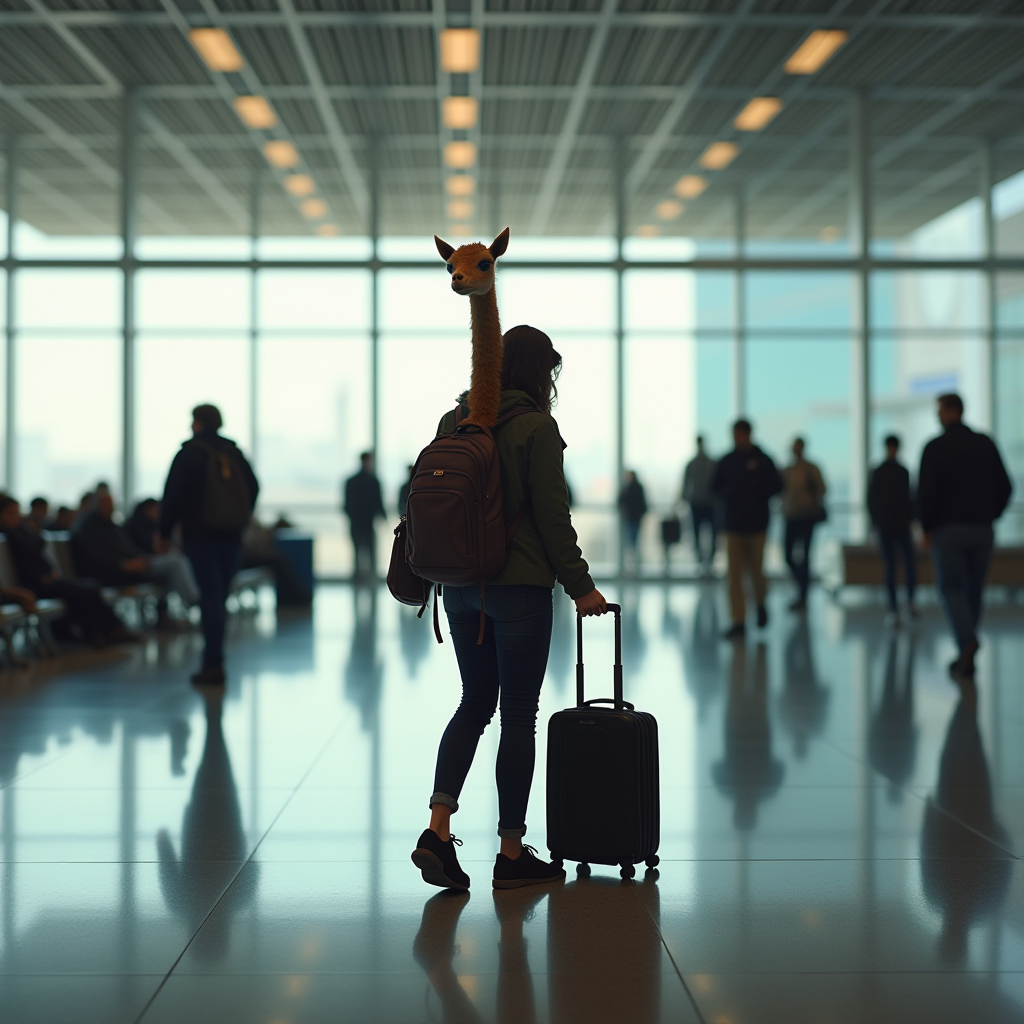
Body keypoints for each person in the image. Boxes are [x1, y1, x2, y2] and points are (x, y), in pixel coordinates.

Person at [411, 324, 607, 892]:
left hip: (460, 586)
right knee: (519, 716)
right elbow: (552, 517)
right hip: (518, 588)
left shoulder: (457, 419)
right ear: (537, 372)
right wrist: (581, 586)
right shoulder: (536, 428)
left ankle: (438, 831)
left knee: (474, 704)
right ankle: (511, 852)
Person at [160, 403, 259, 686]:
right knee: (220, 598)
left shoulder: (189, 453)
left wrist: (165, 531)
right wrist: (238, 515)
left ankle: (212, 663)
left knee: (210, 598)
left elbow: (173, 496)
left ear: (198, 423)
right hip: (232, 536)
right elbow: (253, 486)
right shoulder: (234, 452)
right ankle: (215, 659)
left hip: (200, 537)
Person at [918, 393, 1012, 679]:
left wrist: (927, 527)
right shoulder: (985, 443)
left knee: (951, 588)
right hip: (983, 529)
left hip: (949, 530)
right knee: (975, 588)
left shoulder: (934, 448)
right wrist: (991, 514)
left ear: (950, 411)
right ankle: (965, 654)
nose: (936, 417)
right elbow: (1006, 486)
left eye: (939, 411)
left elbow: (925, 492)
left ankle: (966, 641)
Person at [0, 494, 136, 647]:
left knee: (90, 587)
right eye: (11, 513)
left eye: (17, 513)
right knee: (82, 591)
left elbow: (36, 553)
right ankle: (98, 633)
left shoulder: (20, 531)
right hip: (34, 582)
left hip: (44, 578)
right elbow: (27, 556)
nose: (16, 517)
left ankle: (108, 631)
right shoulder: (10, 534)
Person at [72, 489, 201, 611]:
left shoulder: (107, 524)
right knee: (174, 562)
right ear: (97, 505)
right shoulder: (89, 527)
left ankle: (171, 612)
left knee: (173, 564)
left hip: (129, 566)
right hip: (115, 571)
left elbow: (126, 548)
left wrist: (140, 558)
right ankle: (195, 600)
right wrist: (121, 565)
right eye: (108, 505)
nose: (112, 508)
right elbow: (95, 556)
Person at [712, 419, 783, 639]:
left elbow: (778, 486)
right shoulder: (727, 461)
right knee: (734, 576)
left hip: (757, 526)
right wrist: (731, 494)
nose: (737, 438)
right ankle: (738, 620)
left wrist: (757, 494)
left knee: (757, 573)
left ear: (749, 434)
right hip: (734, 526)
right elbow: (714, 487)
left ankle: (760, 604)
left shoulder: (763, 460)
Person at [868, 434, 918, 624]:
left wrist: (875, 522)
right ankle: (898, 606)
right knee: (897, 566)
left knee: (897, 567)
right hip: (895, 525)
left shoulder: (884, 471)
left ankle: (900, 606)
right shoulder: (898, 471)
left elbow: (872, 499)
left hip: (892, 525)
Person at [780, 437, 827, 613]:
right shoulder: (787, 470)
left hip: (807, 517)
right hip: (791, 516)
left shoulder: (811, 469)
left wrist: (809, 497)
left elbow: (822, 489)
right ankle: (801, 584)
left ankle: (803, 594)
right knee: (788, 556)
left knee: (805, 556)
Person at [343, 452, 386, 582]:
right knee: (370, 550)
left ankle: (358, 578)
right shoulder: (373, 481)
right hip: (367, 522)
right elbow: (378, 502)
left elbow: (347, 503)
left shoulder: (351, 481)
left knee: (357, 551)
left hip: (356, 522)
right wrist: (382, 516)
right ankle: (370, 577)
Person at [682, 436, 717, 576]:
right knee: (699, 535)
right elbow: (686, 485)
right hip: (700, 503)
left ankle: (707, 562)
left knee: (708, 535)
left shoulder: (706, 463)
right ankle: (703, 562)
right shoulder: (698, 464)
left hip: (706, 503)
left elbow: (685, 486)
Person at [617, 470, 647, 575]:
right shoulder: (637, 487)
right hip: (635, 518)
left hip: (631, 518)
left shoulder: (628, 488)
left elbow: (621, 501)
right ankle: (635, 566)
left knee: (631, 543)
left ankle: (633, 567)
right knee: (634, 542)